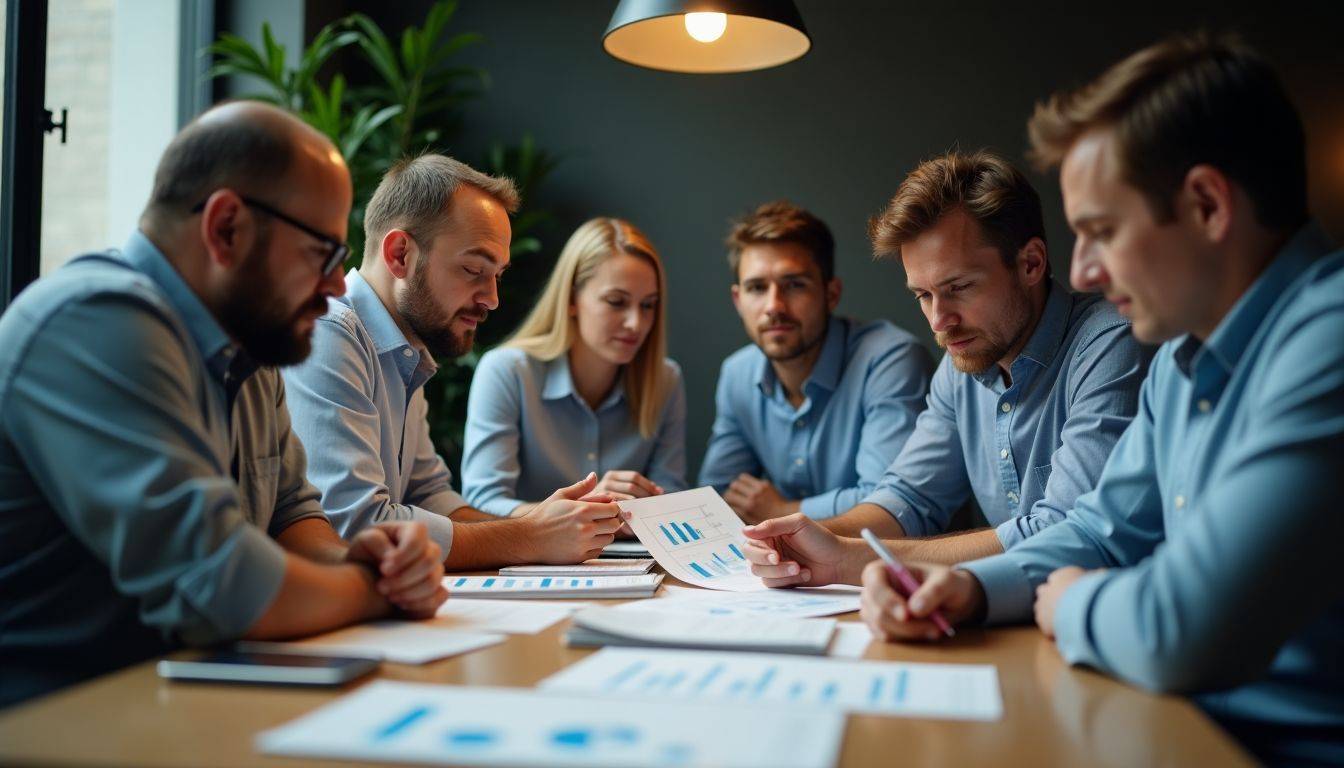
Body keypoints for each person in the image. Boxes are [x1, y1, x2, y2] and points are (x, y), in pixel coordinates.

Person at [859, 35, 1344, 765]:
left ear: (1208, 206)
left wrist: (1075, 600)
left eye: (1102, 231)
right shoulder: (1183, 359)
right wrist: (962, 587)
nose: (1080, 269)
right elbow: (1100, 531)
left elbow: (1179, 627)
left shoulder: (1330, 337)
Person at [0, 102, 445, 707]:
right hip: (59, 716)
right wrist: (376, 588)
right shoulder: (96, 321)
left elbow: (293, 515)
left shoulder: (249, 343)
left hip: (176, 697)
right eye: (322, 254)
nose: (339, 285)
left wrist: (363, 557)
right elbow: (224, 585)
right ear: (226, 227)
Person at [740, 151, 1151, 585]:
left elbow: (1063, 533)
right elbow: (907, 498)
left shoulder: (1112, 344)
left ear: (1031, 263)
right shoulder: (963, 361)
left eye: (958, 288)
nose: (939, 320)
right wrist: (797, 540)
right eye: (922, 295)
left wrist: (851, 558)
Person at [283, 154, 623, 568]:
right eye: (473, 269)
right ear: (400, 255)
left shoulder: (407, 349)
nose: (492, 299)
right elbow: (353, 526)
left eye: (497, 275)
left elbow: (431, 497)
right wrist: (529, 537)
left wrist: (545, 524)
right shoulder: (330, 332)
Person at [698, 201, 933, 521]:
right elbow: (714, 501)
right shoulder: (737, 374)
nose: (773, 306)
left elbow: (889, 504)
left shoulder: (890, 360)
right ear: (738, 300)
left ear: (831, 294)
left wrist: (782, 511)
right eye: (756, 288)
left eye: (794, 285)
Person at [462, 217, 686, 516]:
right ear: (571, 299)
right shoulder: (508, 371)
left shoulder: (665, 380)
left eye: (648, 305)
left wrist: (647, 510)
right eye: (616, 302)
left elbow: (673, 500)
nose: (636, 323)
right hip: (527, 560)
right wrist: (576, 514)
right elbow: (482, 503)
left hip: (636, 558)